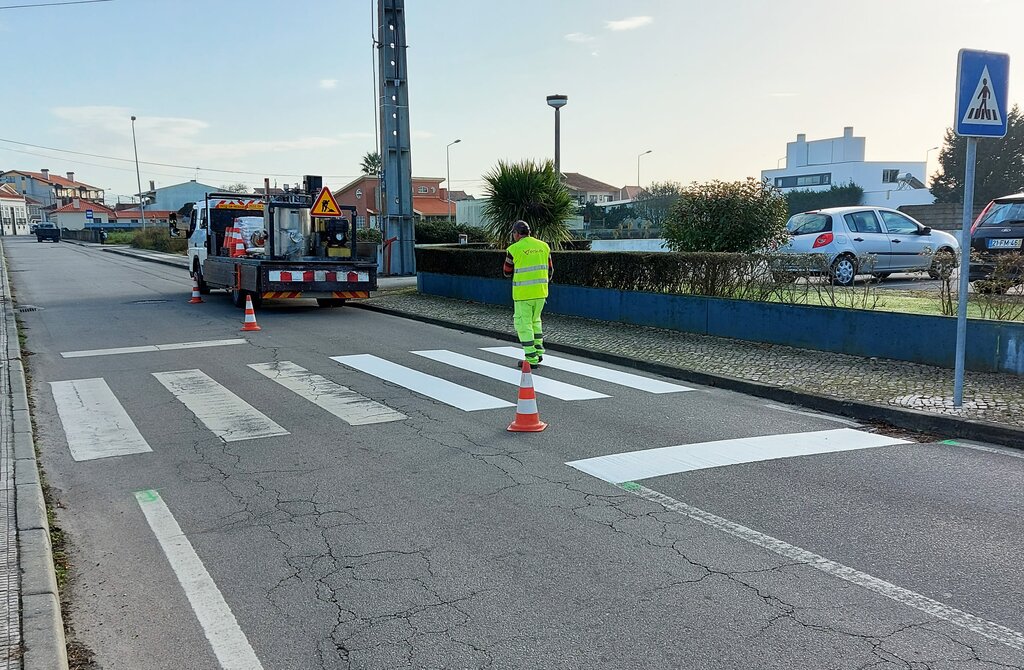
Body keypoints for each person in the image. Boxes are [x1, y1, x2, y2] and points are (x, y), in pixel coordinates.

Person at [503, 220, 553, 369]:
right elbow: (550, 270)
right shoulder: (544, 246)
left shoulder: (513, 249)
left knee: (524, 325)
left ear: (517, 234)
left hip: (523, 294)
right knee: (536, 322)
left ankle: (531, 358)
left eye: (513, 233)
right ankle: (538, 352)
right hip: (541, 293)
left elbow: (506, 271)